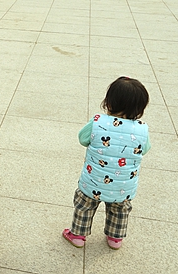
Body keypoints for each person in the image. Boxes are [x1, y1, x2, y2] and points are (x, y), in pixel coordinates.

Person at [63, 76, 150, 250]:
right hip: (123, 186)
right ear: (139, 109)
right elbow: (145, 149)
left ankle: (78, 235)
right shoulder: (141, 129)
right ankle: (115, 239)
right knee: (119, 210)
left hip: (93, 181)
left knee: (84, 206)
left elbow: (83, 139)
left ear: (109, 103)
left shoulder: (97, 122)